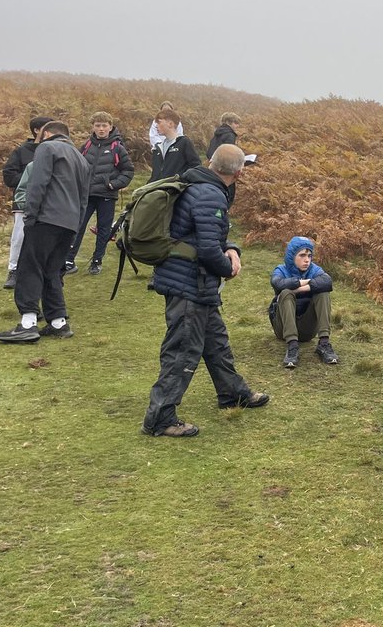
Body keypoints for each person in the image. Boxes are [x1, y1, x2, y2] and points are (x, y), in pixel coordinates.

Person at [141, 145, 269, 437]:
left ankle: (232, 393)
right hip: (190, 283)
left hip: (191, 281)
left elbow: (206, 235)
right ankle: (160, 418)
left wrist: (232, 248)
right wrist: (229, 268)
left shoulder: (196, 183)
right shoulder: (211, 194)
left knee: (215, 341)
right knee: (183, 350)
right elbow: (210, 249)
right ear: (238, 172)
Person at [0, 122, 90, 343]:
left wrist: (30, 216)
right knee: (52, 271)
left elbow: (38, 184)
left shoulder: (46, 149)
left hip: (46, 218)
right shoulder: (81, 158)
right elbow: (84, 198)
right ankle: (58, 322)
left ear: (46, 133)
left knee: (30, 267)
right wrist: (76, 227)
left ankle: (28, 323)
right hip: (69, 223)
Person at [64, 112, 134, 275]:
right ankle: (69, 260)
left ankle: (97, 261)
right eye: (97, 125)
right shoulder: (86, 146)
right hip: (86, 195)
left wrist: (114, 184)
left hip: (106, 195)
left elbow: (128, 170)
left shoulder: (118, 148)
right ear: (93, 127)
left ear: (110, 127)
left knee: (103, 229)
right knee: (78, 226)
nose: (101, 129)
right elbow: (75, 167)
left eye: (104, 125)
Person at [269, 236, 339, 368]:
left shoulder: (314, 270)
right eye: (301, 255)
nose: (306, 260)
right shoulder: (281, 270)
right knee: (285, 293)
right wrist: (301, 282)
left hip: (307, 329)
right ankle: (292, 346)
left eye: (309, 255)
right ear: (292, 256)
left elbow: (328, 282)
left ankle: (324, 343)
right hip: (282, 329)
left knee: (322, 292)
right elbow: (277, 284)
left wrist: (303, 287)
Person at [1, 115, 51, 289]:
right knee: (19, 237)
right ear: (37, 130)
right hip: (24, 202)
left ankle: (45, 273)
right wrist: (32, 180)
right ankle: (13, 271)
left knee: (46, 237)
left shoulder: (55, 150)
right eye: (47, 128)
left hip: (49, 202)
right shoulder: (21, 151)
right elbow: (9, 176)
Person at [148, 108, 200, 182]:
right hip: (159, 189)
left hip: (178, 189)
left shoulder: (184, 142)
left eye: (159, 122)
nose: (156, 126)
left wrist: (182, 181)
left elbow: (195, 166)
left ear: (170, 124)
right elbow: (155, 174)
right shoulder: (157, 148)